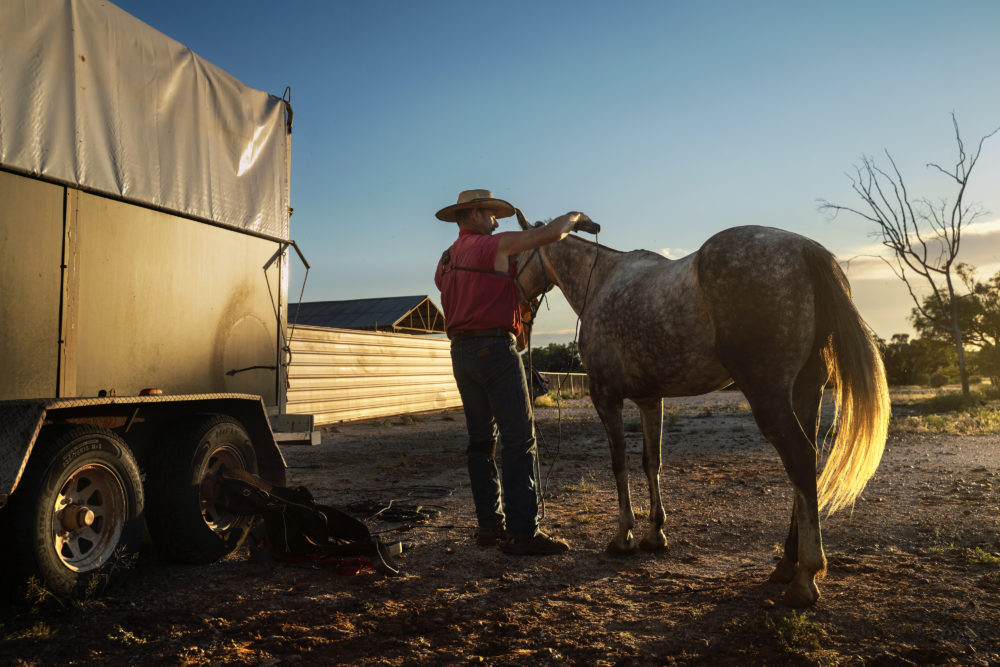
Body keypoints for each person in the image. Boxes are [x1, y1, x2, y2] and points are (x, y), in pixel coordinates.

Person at [434, 188, 590, 555]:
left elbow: (451, 288)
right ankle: (524, 533)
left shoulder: (445, 259)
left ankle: (489, 527)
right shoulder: (495, 246)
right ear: (472, 214)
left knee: (480, 441)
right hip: (495, 349)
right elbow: (550, 234)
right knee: (519, 439)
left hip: (460, 353)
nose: (496, 220)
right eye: (490, 213)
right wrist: (575, 217)